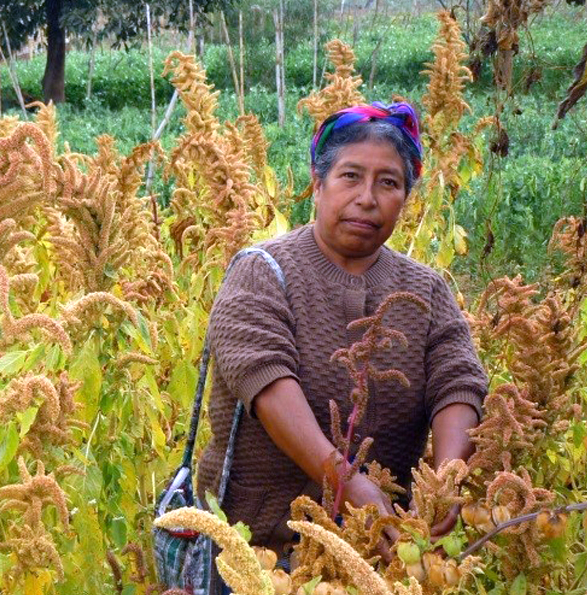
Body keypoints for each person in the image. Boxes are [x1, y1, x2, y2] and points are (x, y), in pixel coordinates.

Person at [195, 102, 488, 566]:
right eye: (350, 176)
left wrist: (445, 482)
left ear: (405, 198)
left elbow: (459, 383)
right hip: (255, 559)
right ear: (318, 183)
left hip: (380, 558)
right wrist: (348, 483)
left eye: (388, 183)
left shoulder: (425, 291)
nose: (367, 198)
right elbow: (264, 379)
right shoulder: (261, 272)